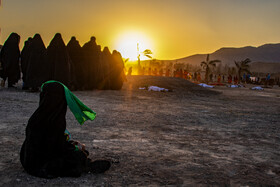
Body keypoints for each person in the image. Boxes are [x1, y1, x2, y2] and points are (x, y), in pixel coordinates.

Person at [20, 81, 111, 178]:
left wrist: (71, 144)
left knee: (78, 153)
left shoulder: (37, 117)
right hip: (43, 163)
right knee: (78, 156)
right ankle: (86, 166)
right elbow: (55, 149)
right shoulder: (54, 120)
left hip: (28, 160)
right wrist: (73, 147)